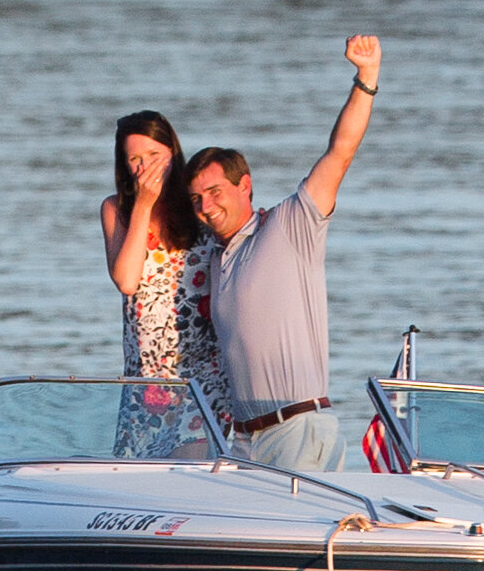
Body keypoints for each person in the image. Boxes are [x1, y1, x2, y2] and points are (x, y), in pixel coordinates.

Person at [185, 35, 381, 474]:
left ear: (245, 185)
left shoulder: (290, 225)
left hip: (298, 430)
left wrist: (365, 78)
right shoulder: (216, 257)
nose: (206, 206)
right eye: (196, 199)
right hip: (242, 440)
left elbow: (340, 153)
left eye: (214, 192)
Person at [100, 110, 233, 431]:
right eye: (135, 159)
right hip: (146, 378)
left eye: (154, 155)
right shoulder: (116, 209)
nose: (145, 167)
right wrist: (143, 206)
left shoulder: (197, 205)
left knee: (194, 467)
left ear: (172, 154)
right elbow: (127, 281)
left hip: (205, 372)